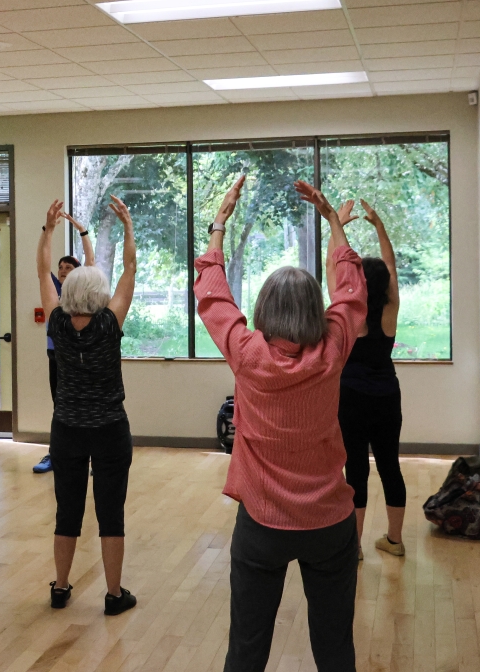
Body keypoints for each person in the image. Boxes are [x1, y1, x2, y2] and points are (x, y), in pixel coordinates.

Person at [194, 175, 366, 672]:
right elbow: (351, 291)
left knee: (246, 652)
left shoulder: (248, 354)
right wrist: (333, 220)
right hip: (330, 524)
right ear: (316, 310)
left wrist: (220, 226)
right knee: (336, 651)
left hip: (262, 525)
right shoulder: (332, 349)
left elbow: (212, 294)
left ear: (263, 310)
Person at [37, 195, 137, 616]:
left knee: (67, 510)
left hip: (67, 430)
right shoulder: (108, 323)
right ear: (99, 293)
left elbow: (43, 268)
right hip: (110, 428)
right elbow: (130, 269)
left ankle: (60, 587)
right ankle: (114, 594)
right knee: (110, 512)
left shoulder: (58, 322)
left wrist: (47, 229)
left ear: (69, 290)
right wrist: (128, 227)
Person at [331, 199, 405, 559]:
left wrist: (336, 224)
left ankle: (355, 548)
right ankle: (394, 540)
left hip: (352, 399)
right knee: (390, 465)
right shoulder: (390, 311)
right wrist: (378, 225)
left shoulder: (351, 312)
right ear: (386, 286)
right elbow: (390, 266)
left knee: (355, 470)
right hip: (387, 396)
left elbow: (335, 269)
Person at [34, 213, 94, 474]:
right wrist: (47, 230)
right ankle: (55, 454)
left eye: (69, 268)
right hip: (55, 355)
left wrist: (83, 232)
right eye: (61, 267)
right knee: (60, 408)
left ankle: (91, 454)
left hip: (81, 356)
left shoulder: (84, 289)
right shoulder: (53, 290)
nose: (62, 270)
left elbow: (91, 262)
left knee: (87, 404)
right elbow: (41, 263)